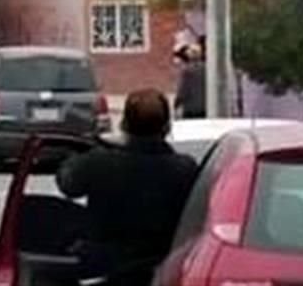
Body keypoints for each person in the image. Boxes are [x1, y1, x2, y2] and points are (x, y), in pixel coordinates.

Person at [55, 88, 198, 282]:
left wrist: (80, 153)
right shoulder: (184, 169)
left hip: (104, 269)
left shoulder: (100, 163)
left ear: (124, 124)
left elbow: (68, 184)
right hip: (164, 268)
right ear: (166, 127)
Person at [174, 40, 206, 119]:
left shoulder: (187, 70)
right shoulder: (207, 68)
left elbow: (182, 90)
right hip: (205, 108)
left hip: (191, 109)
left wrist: (176, 103)